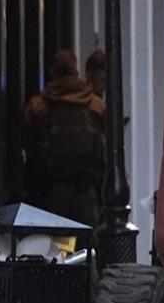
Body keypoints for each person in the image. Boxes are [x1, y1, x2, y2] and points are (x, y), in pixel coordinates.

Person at [23, 49, 107, 228]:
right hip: (86, 194)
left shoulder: (38, 107)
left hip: (49, 196)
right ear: (77, 72)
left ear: (53, 73)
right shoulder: (95, 106)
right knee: (86, 248)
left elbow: (27, 149)